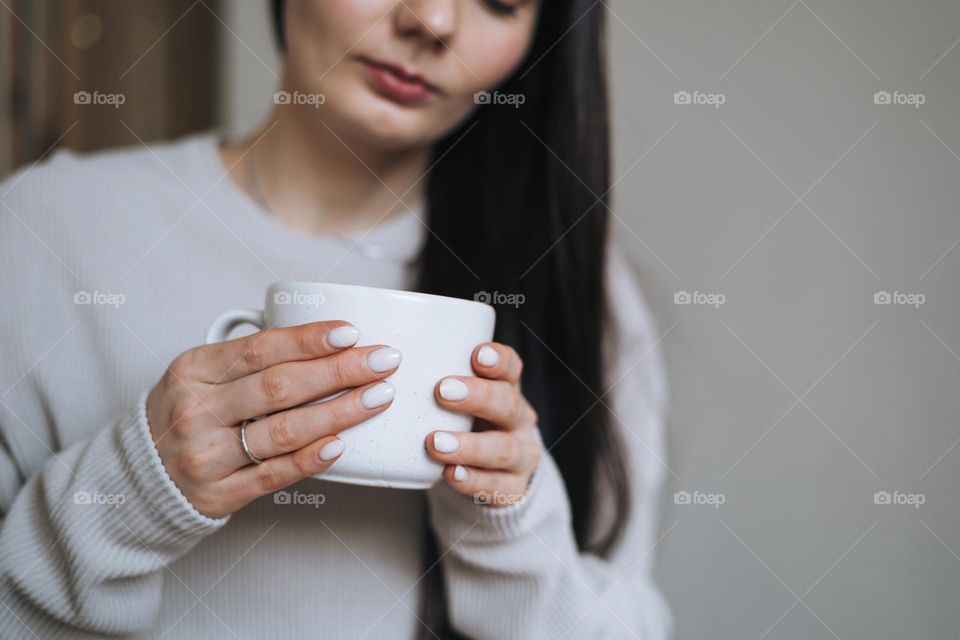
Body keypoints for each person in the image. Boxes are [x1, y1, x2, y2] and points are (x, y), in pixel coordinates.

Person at [0, 0, 672, 637]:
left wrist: (513, 536)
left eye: (500, 0)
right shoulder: (44, 231)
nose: (433, 21)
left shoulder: (578, 288)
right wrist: (133, 493)